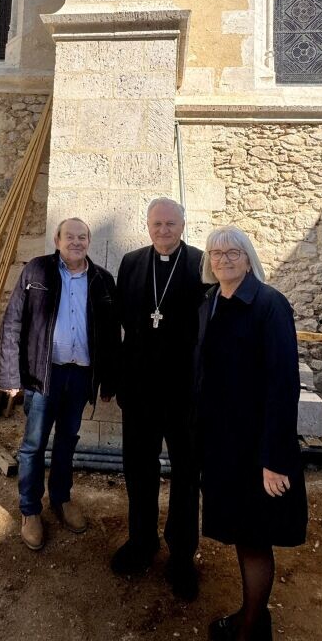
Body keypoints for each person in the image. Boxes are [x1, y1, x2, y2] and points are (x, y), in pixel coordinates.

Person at [196, 225, 308, 641]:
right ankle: (253, 618)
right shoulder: (210, 303)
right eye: (216, 252)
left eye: (232, 251)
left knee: (255, 541)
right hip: (223, 449)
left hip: (259, 454)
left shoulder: (268, 305)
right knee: (241, 535)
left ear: (248, 257)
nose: (223, 258)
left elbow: (283, 386)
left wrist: (274, 460)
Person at [0, 217, 119, 551]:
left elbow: (110, 337)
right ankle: (30, 509)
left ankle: (61, 500)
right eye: (70, 236)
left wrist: (108, 380)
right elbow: (12, 323)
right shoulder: (36, 271)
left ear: (88, 241)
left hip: (80, 377)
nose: (76, 242)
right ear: (57, 239)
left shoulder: (102, 280)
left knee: (67, 441)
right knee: (34, 444)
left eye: (82, 237)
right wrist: (10, 377)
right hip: (42, 374)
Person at [111, 197, 205, 601]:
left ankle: (183, 556)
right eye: (156, 224)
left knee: (186, 476)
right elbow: (120, 326)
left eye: (170, 224)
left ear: (183, 226)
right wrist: (116, 381)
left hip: (185, 396)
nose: (163, 231)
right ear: (147, 226)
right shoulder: (131, 263)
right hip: (140, 393)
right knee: (139, 470)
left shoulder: (202, 265)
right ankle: (141, 542)